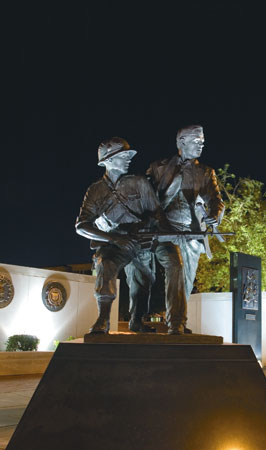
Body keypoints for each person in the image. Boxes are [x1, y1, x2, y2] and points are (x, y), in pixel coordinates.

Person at [75, 137, 186, 334]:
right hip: (116, 241)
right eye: (123, 155)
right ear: (107, 161)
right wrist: (115, 239)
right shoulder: (95, 191)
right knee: (105, 263)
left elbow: (157, 213)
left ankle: (170, 322)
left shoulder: (139, 182)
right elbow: (82, 225)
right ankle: (103, 320)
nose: (128, 159)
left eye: (128, 155)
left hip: (145, 236)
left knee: (168, 264)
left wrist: (156, 230)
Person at [146, 125, 225, 313]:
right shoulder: (158, 167)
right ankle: (172, 321)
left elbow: (216, 200)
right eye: (197, 141)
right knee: (175, 269)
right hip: (164, 231)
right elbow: (145, 198)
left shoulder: (206, 172)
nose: (201, 146)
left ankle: (178, 320)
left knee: (187, 278)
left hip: (191, 232)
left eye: (203, 142)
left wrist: (214, 215)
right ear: (181, 142)